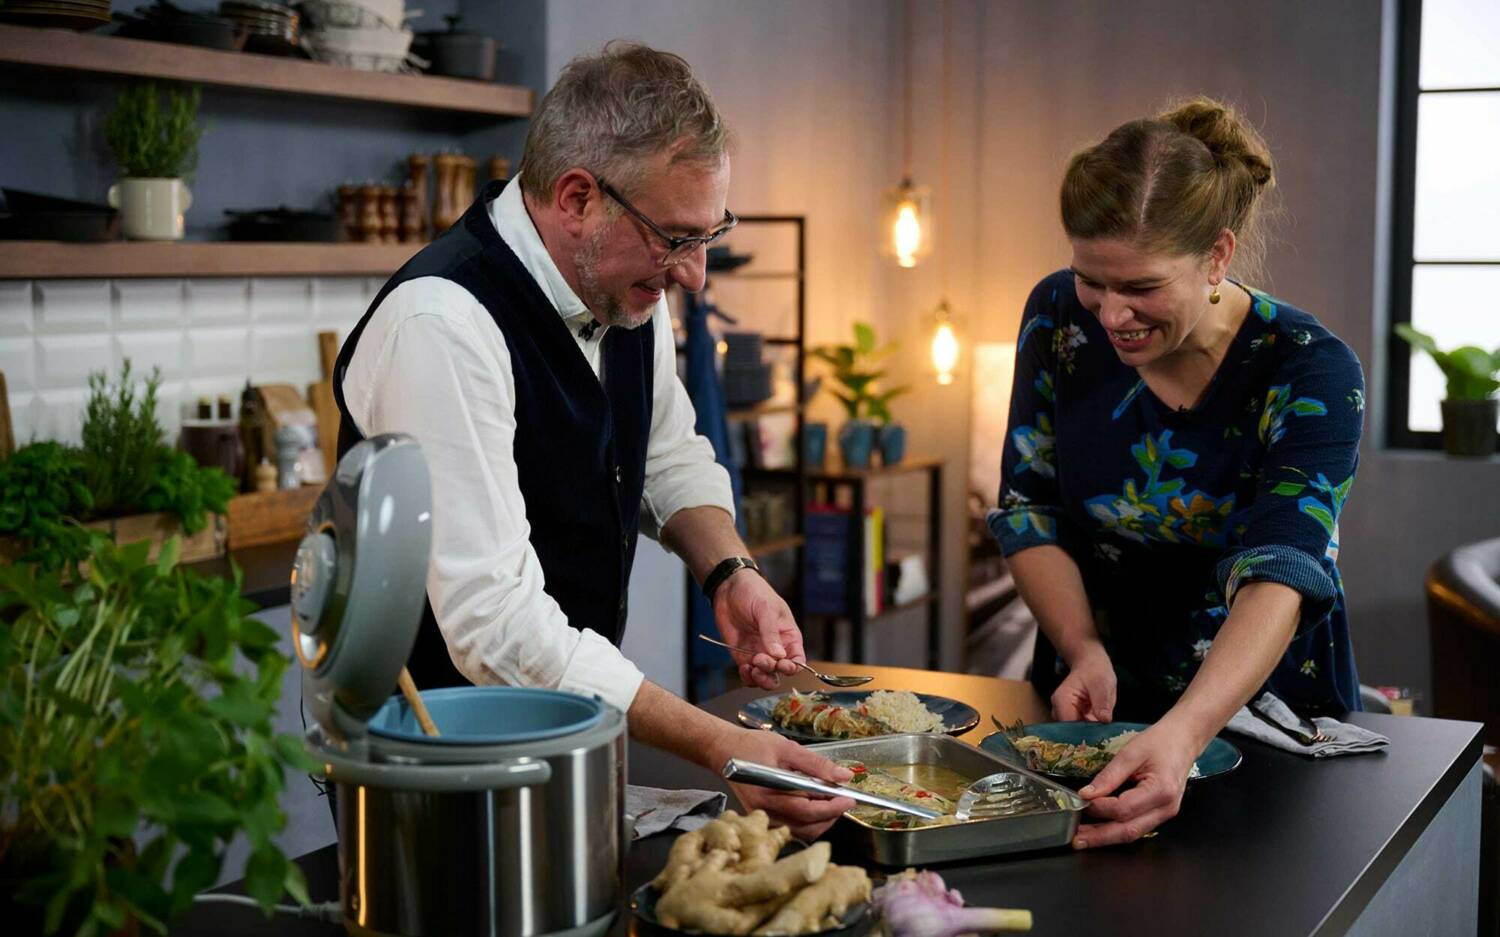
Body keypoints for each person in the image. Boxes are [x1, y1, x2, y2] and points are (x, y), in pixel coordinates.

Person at [332, 42, 852, 838]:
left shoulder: (628, 288)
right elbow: (494, 621)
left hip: (564, 744)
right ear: (577, 198)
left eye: (709, 237)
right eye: (678, 238)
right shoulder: (441, 324)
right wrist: (724, 745)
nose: (695, 274)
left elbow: (670, 455)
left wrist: (731, 571)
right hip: (431, 767)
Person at [989, 97, 1365, 848]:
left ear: (1217, 257)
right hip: (1091, 693)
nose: (1111, 314)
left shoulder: (1309, 370)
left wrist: (1187, 731)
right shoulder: (1058, 315)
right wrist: (1082, 644)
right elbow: (1027, 505)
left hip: (1256, 709)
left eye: (1144, 288)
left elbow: (1283, 567)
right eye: (1093, 279)